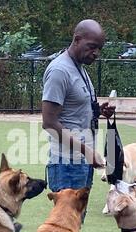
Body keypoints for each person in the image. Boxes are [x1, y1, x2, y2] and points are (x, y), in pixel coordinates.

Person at [42, 19, 115, 201]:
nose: (96, 53)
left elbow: (72, 109)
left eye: (99, 48)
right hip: (67, 164)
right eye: (92, 47)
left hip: (81, 161)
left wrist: (97, 111)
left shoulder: (79, 67)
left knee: (74, 225)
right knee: (65, 226)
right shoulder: (60, 71)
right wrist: (87, 152)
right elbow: (49, 122)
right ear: (77, 39)